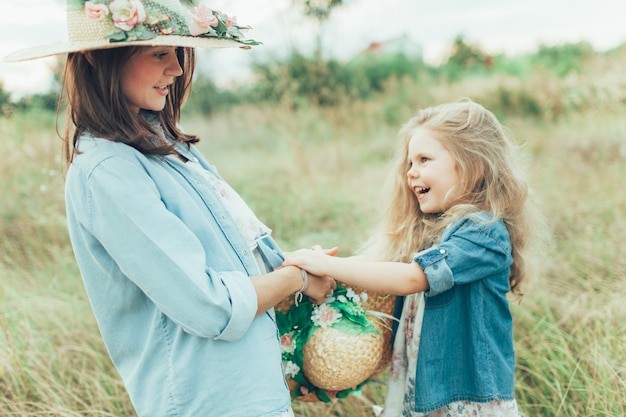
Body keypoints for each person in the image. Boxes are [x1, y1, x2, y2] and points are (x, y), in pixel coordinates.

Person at [4, 1, 335, 417]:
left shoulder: (167, 148)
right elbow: (209, 304)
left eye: (179, 52)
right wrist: (298, 277)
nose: (177, 68)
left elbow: (242, 262)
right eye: (160, 52)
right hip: (208, 400)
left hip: (248, 389)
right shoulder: (108, 171)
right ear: (97, 57)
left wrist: (293, 348)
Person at [283, 99, 542, 416]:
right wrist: (320, 264)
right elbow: (387, 265)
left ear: (472, 165)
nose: (411, 173)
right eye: (409, 163)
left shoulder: (484, 234)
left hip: (469, 399)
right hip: (425, 389)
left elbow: (411, 277)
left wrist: (328, 266)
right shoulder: (437, 231)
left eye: (424, 159)